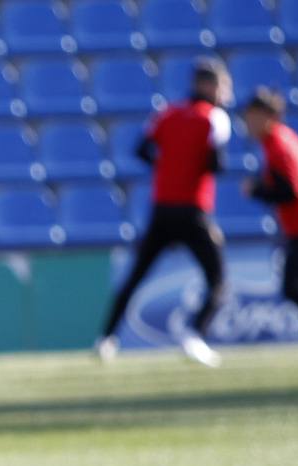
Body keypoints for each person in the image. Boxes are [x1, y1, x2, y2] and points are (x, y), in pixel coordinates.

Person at [98, 59, 232, 368]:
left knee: (135, 276)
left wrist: (168, 165)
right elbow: (216, 165)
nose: (225, 93)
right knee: (218, 279)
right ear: (208, 86)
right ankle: (195, 336)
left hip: (161, 209)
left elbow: (142, 150)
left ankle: (106, 338)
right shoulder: (215, 118)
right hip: (193, 210)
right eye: (222, 86)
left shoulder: (166, 113)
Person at [241, 88, 298, 329]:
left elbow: (291, 190)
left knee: (293, 287)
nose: (248, 122)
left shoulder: (280, 145)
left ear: (267, 116)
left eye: (252, 116)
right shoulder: (274, 142)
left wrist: (257, 190)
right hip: (297, 227)